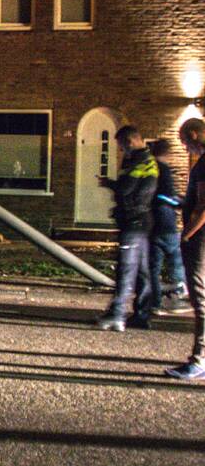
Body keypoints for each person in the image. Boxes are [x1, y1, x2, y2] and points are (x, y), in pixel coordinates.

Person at [97, 125, 158, 332]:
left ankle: (117, 315)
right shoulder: (145, 160)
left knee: (126, 268)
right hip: (142, 220)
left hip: (133, 220)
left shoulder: (140, 161)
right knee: (141, 270)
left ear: (130, 141)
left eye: (122, 146)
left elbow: (126, 188)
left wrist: (111, 184)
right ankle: (141, 314)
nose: (122, 150)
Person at [166, 118, 205, 380]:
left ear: (194, 134)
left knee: (200, 298)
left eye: (183, 140)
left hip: (200, 239)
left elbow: (204, 206)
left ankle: (200, 359)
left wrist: (186, 234)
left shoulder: (203, 164)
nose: (183, 146)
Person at [149, 139, 191, 314]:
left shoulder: (149, 169)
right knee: (175, 261)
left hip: (152, 222)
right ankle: (177, 297)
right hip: (166, 222)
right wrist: (179, 202)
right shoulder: (163, 169)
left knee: (154, 265)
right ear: (166, 153)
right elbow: (164, 196)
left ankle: (155, 302)